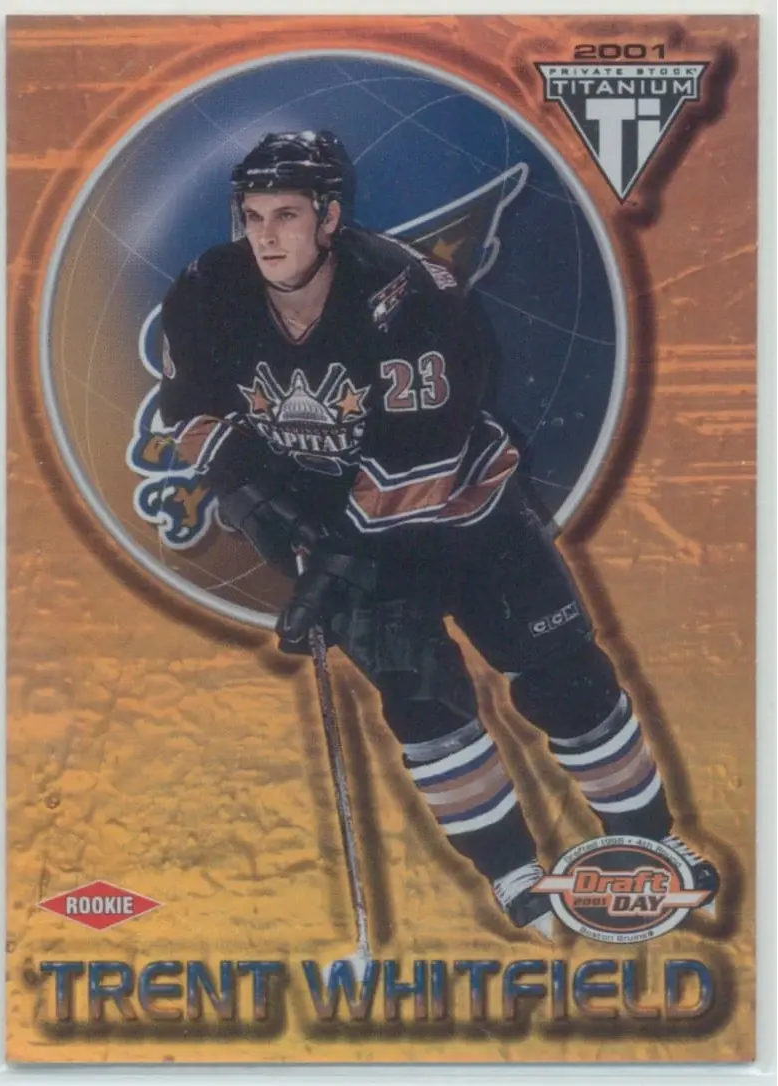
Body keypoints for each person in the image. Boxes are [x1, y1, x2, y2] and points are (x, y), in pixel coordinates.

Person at [158, 129, 718, 932]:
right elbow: (190, 412)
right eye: (252, 216)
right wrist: (261, 509)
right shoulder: (207, 289)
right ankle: (514, 871)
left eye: (286, 215)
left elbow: (420, 453)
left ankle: (649, 844)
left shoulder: (407, 289)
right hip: (345, 534)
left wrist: (328, 564)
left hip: (468, 519)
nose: (266, 237)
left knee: (565, 683)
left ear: (328, 217)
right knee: (425, 709)